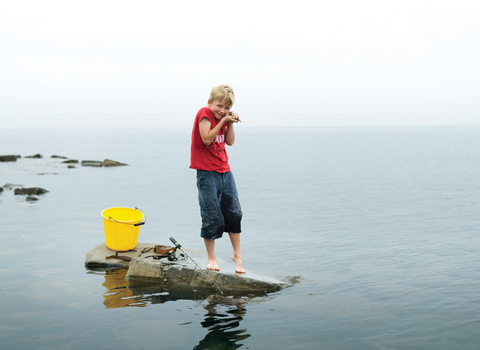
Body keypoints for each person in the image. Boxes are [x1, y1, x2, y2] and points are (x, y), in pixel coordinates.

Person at [190, 85, 245, 274]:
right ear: (210, 103)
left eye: (227, 108)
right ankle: (211, 257)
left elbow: (229, 142)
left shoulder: (223, 119)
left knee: (234, 213)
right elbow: (206, 139)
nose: (222, 111)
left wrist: (229, 122)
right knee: (212, 215)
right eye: (219, 106)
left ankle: (237, 254)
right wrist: (222, 122)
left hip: (225, 171)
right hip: (207, 173)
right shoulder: (204, 113)